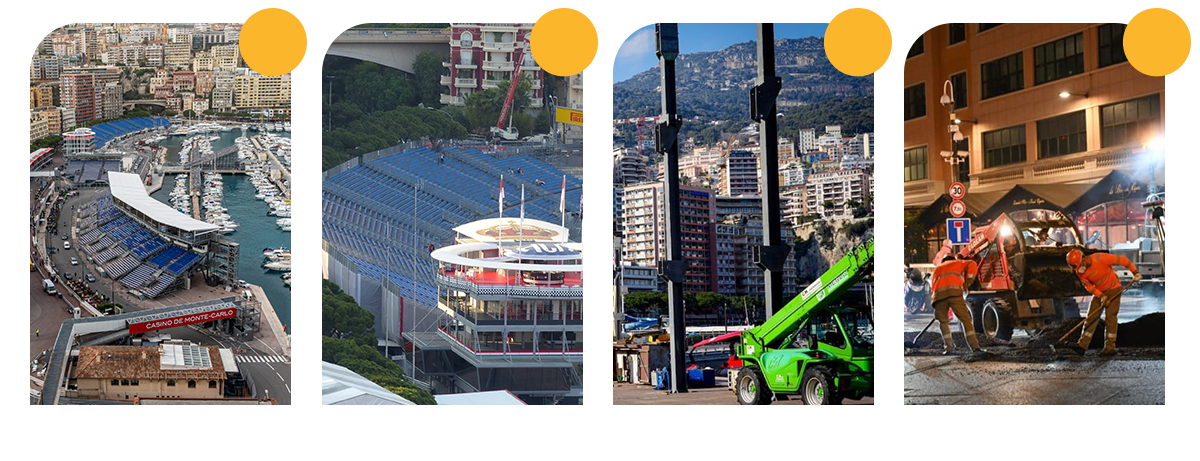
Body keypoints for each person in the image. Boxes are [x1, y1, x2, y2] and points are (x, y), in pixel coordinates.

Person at [1066, 249, 1141, 356]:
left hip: (1114, 289)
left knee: (1110, 318)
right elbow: (1088, 286)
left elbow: (1122, 260)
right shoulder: (1079, 270)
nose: (1079, 269)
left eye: (1079, 265)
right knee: (1091, 318)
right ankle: (1082, 346)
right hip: (1099, 292)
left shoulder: (1100, 258)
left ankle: (1110, 348)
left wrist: (1135, 272)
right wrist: (1101, 296)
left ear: (1083, 258)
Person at [930, 254, 982, 355]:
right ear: (952, 259)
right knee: (966, 321)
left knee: (943, 323)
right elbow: (972, 263)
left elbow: (933, 287)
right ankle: (975, 347)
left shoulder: (937, 269)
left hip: (939, 297)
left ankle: (949, 348)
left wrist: (934, 303)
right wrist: (968, 282)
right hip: (955, 294)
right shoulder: (958, 263)